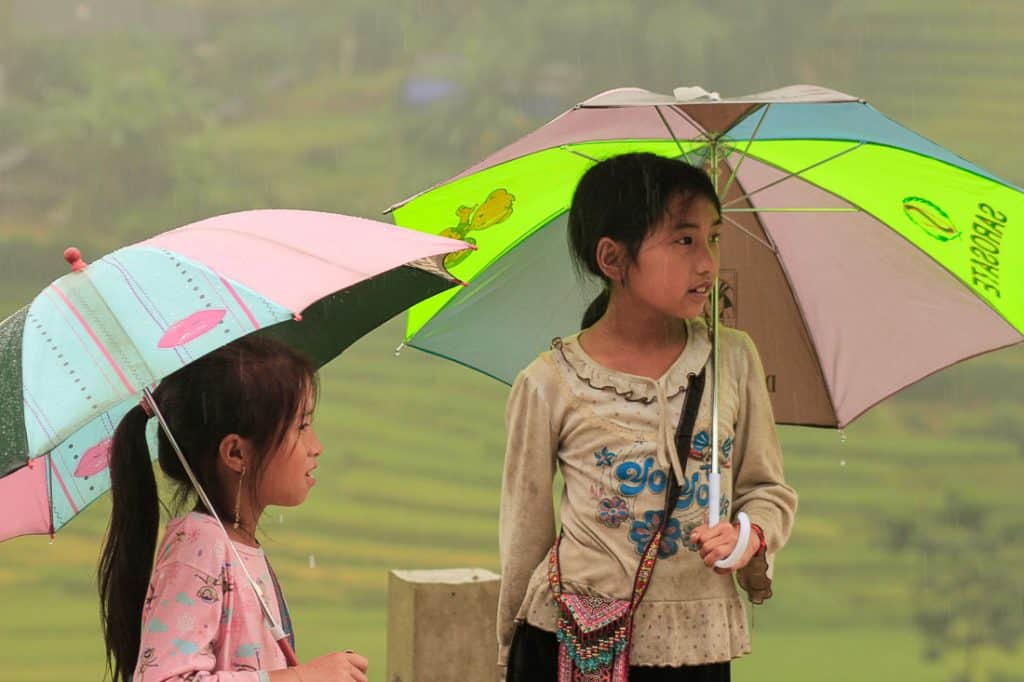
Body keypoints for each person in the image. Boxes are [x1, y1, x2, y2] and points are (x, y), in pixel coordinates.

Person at [498, 153, 798, 681]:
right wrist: (508, 656)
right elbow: (524, 537)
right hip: (571, 644)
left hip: (696, 643)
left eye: (712, 237)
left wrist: (745, 537)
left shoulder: (732, 359)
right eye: (684, 240)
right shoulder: (549, 383)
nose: (706, 262)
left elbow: (767, 489)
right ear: (613, 259)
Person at [98, 336, 369, 682]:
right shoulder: (200, 545)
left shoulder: (238, 547)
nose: (316, 447)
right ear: (236, 454)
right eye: (301, 426)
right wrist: (303, 678)